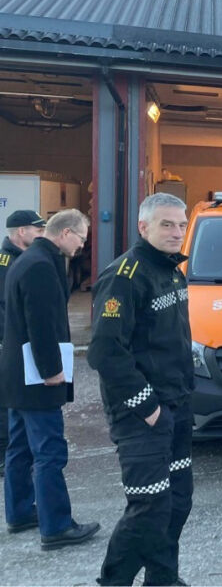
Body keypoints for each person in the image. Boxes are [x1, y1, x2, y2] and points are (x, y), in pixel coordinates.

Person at [88, 193, 193, 586]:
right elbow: (104, 351)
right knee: (149, 505)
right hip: (142, 416)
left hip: (177, 409)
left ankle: (163, 578)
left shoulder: (171, 271)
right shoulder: (124, 276)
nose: (176, 232)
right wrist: (148, 407)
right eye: (167, 224)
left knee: (177, 502)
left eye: (181, 224)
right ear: (143, 226)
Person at [0, 208, 99, 549]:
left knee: (19, 446)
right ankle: (56, 526)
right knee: (49, 451)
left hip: (16, 375)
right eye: (82, 238)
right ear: (65, 233)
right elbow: (40, 324)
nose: (82, 246)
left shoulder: (25, 261)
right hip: (37, 376)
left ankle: (20, 512)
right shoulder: (41, 266)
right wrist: (51, 371)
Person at [0, 209, 46, 478]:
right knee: (6, 401)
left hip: (13, 343)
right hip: (6, 343)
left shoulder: (21, 258)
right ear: (21, 232)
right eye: (37, 230)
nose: (41, 235)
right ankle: (6, 455)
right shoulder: (6, 262)